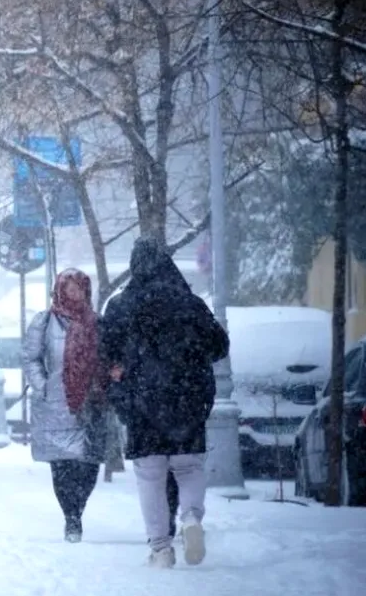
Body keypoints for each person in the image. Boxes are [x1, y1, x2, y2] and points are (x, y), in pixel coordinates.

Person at [102, 238, 229, 568]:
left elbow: (107, 355)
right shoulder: (190, 303)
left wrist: (121, 373)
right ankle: (190, 520)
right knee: (188, 468)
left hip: (142, 402)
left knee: (150, 474)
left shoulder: (121, 305)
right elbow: (219, 346)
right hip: (188, 399)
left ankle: (160, 549)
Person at [22, 269, 110, 543]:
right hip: (56, 405)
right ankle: (71, 517)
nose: (76, 294)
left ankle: (78, 507)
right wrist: (42, 385)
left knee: (89, 464)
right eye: (70, 289)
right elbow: (31, 358)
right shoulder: (45, 323)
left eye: (80, 289)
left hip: (91, 404)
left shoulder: (98, 324)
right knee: (62, 466)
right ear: (60, 290)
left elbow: (108, 358)